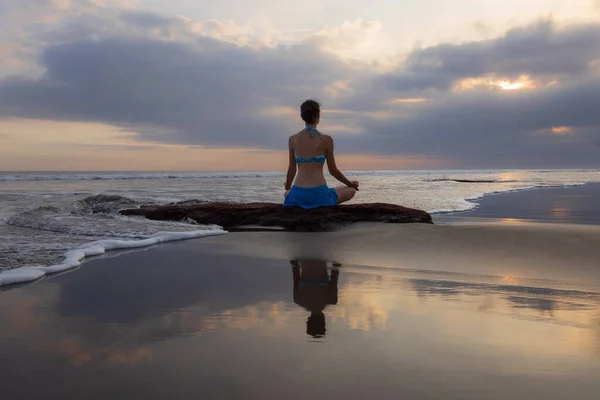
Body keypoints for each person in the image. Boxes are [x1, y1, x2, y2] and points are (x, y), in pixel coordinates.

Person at [283, 99, 359, 209]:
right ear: (318, 115)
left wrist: (288, 186)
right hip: (320, 195)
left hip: (298, 194)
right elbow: (333, 170)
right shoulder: (326, 139)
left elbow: (291, 169)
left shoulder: (293, 139)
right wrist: (350, 183)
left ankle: (295, 196)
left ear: (302, 116)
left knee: (287, 193)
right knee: (350, 190)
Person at [291, 260, 340, 338]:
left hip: (322, 259)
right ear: (308, 321)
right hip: (305, 260)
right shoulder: (298, 300)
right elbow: (295, 273)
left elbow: (334, 275)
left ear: (323, 321)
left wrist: (337, 264)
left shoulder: (332, 299)